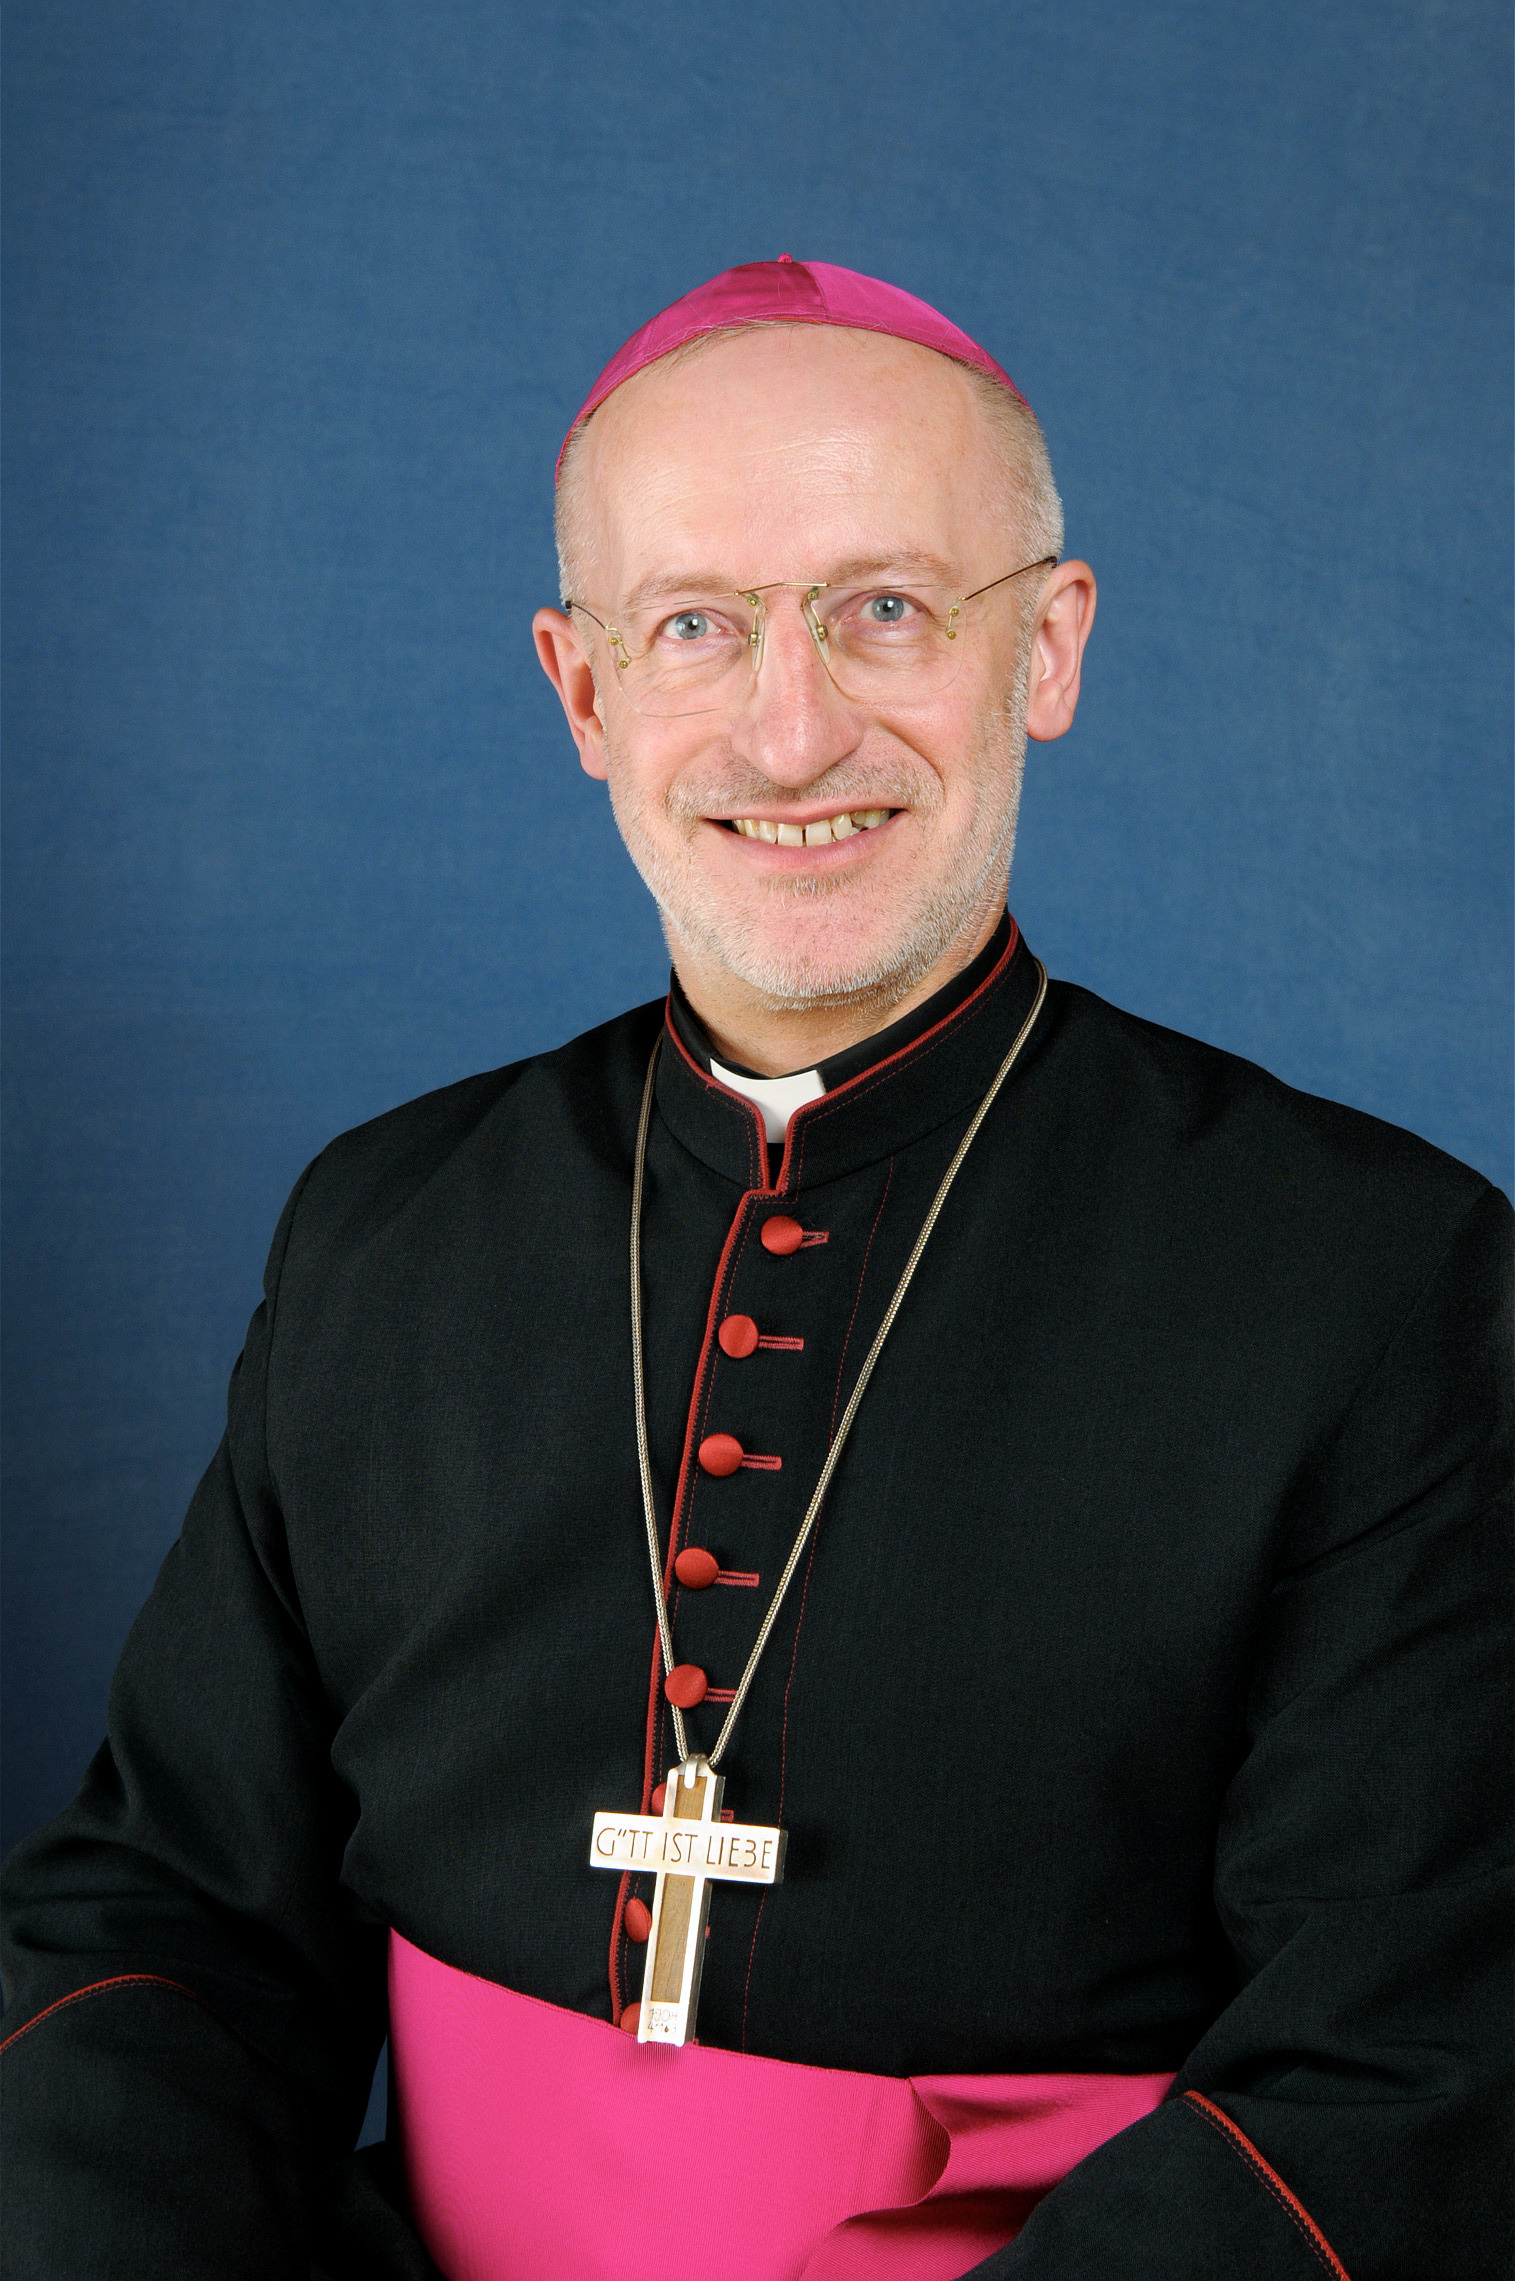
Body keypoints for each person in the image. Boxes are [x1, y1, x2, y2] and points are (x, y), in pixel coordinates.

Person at [2, 256, 1509, 2281]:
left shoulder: (1374, 1281)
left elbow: (1404, 2062)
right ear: (584, 692)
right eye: (695, 626)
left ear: (1048, 647)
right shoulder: (384, 1233)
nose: (791, 735)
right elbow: (162, 1919)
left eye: (885, 609)